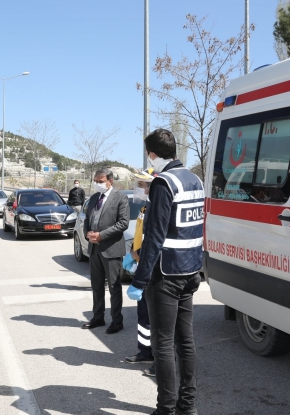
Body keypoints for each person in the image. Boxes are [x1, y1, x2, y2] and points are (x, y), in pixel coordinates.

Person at [127, 129, 204, 415]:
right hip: (191, 271)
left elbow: (155, 237)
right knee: (186, 340)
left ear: (152, 154)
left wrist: (139, 279)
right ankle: (188, 406)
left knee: (162, 344)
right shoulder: (195, 179)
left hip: (165, 276)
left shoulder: (163, 182)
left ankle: (166, 408)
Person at [82, 168, 129, 334]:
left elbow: (123, 223)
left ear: (110, 181)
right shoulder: (94, 198)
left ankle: (117, 320)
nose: (97, 184)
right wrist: (88, 233)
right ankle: (98, 317)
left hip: (111, 249)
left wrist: (101, 235)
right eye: (96, 181)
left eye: (101, 181)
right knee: (96, 286)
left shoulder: (120, 198)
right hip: (94, 249)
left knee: (114, 287)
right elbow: (88, 219)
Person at [124, 168, 157, 375]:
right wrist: (133, 254)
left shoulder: (158, 207)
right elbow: (140, 234)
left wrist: (136, 256)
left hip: (151, 268)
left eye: (142, 185)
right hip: (142, 265)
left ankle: (161, 360)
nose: (139, 188)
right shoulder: (146, 206)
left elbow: (154, 241)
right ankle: (145, 352)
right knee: (143, 314)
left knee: (156, 317)